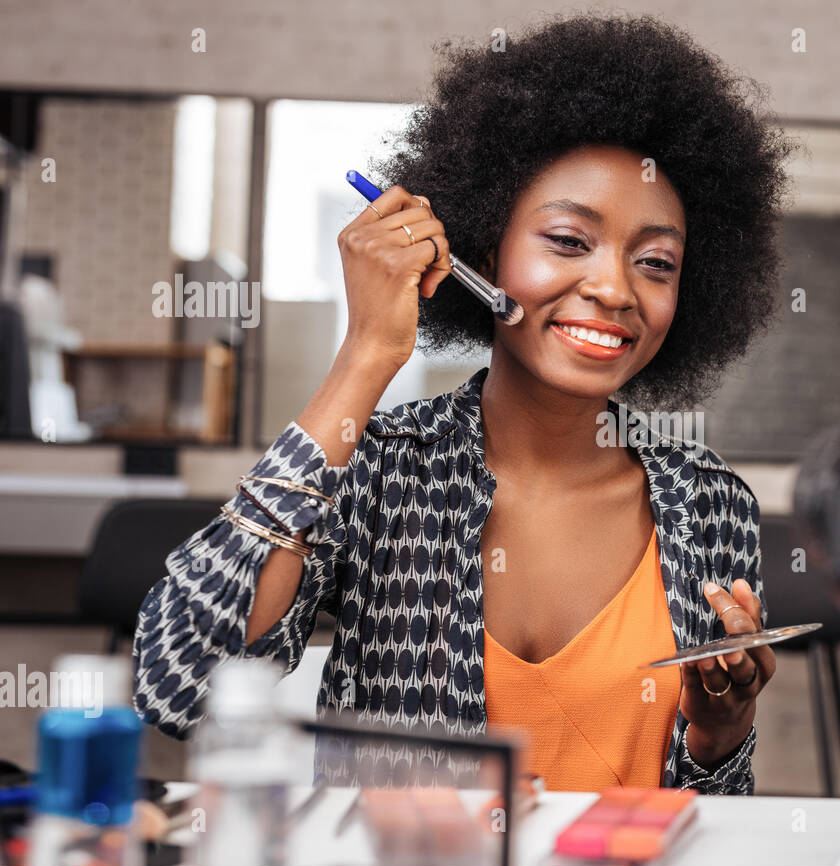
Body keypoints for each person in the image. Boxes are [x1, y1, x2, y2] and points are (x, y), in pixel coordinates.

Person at [132, 12, 798, 795]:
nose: (616, 289)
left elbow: (714, 822)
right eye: (568, 241)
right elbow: (182, 687)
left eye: (655, 262)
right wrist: (367, 355)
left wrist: (719, 737)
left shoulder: (710, 504)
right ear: (486, 255)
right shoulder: (379, 468)